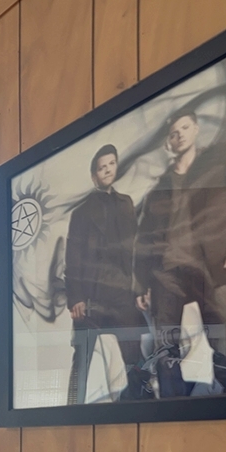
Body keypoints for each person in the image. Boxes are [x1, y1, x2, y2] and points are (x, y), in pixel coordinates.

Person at [134, 109, 226, 392]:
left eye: (185, 127)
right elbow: (144, 240)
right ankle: (173, 413)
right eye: (174, 132)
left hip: (212, 266)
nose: (180, 134)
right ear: (168, 143)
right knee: (167, 353)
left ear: (196, 129)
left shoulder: (219, 161)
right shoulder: (158, 190)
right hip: (167, 275)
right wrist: (142, 284)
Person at [66, 144, 143, 403]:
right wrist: (75, 297)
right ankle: (71, 411)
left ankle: (135, 409)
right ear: (93, 175)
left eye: (111, 164)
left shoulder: (126, 204)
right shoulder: (82, 212)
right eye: (102, 167)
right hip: (92, 295)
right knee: (82, 359)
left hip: (122, 293)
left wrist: (139, 289)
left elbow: (135, 251)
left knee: (135, 359)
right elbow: (73, 257)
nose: (107, 169)